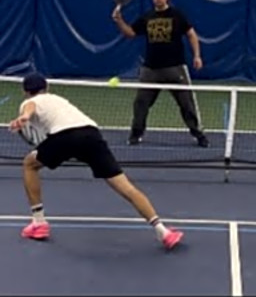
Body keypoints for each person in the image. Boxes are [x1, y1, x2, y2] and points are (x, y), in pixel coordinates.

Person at [9, 73, 184, 250]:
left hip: (66, 136)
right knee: (125, 186)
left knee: (29, 165)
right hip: (92, 134)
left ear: (25, 92)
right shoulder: (57, 99)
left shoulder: (30, 102)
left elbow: (30, 107)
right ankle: (163, 231)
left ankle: (39, 222)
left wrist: (24, 117)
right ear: (47, 88)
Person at [112, 0, 209, 147]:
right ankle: (136, 134)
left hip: (175, 68)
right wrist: (119, 21)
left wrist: (197, 56)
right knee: (141, 103)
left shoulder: (177, 15)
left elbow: (191, 35)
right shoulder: (147, 17)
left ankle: (198, 134)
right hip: (151, 70)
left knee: (187, 104)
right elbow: (131, 33)